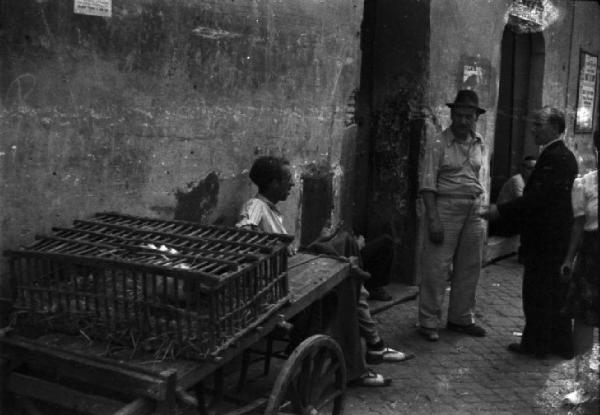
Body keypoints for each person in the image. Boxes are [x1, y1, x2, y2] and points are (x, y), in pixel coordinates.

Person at [236, 156, 413, 387]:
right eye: (288, 180)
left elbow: (291, 254)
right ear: (272, 183)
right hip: (279, 286)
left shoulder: (273, 212)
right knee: (345, 286)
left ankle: (369, 345)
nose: (292, 184)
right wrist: (268, 245)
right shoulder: (255, 205)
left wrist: (317, 241)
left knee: (345, 249)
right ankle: (369, 347)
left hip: (292, 275)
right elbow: (245, 230)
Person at [483, 106, 578, 359]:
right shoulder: (558, 155)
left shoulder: (556, 157)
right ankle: (558, 344)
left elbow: (537, 199)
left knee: (538, 292)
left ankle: (537, 345)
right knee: (552, 293)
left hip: (546, 238)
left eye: (539, 124)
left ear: (555, 128)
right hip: (553, 237)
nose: (533, 129)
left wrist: (499, 211)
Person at [417, 90, 487, 342]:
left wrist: (481, 206)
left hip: (474, 208)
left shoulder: (479, 142)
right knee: (436, 266)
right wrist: (433, 219)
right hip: (445, 207)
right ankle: (428, 321)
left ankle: (461, 318)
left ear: (475, 118)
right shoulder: (438, 143)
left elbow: (478, 176)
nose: (462, 121)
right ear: (452, 115)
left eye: (468, 116)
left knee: (470, 266)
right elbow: (427, 184)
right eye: (458, 115)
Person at [560, 131, 598, 405]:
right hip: (591, 259)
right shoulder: (585, 184)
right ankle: (583, 386)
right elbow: (578, 226)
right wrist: (568, 259)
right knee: (584, 322)